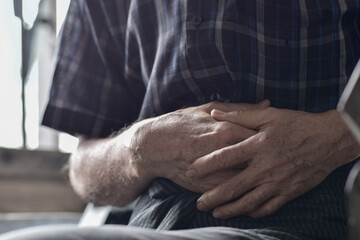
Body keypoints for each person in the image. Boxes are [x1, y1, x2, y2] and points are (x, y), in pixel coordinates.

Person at [1, 0, 360, 239]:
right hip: (154, 224)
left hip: (323, 215)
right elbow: (83, 170)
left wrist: (340, 133)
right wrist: (139, 148)